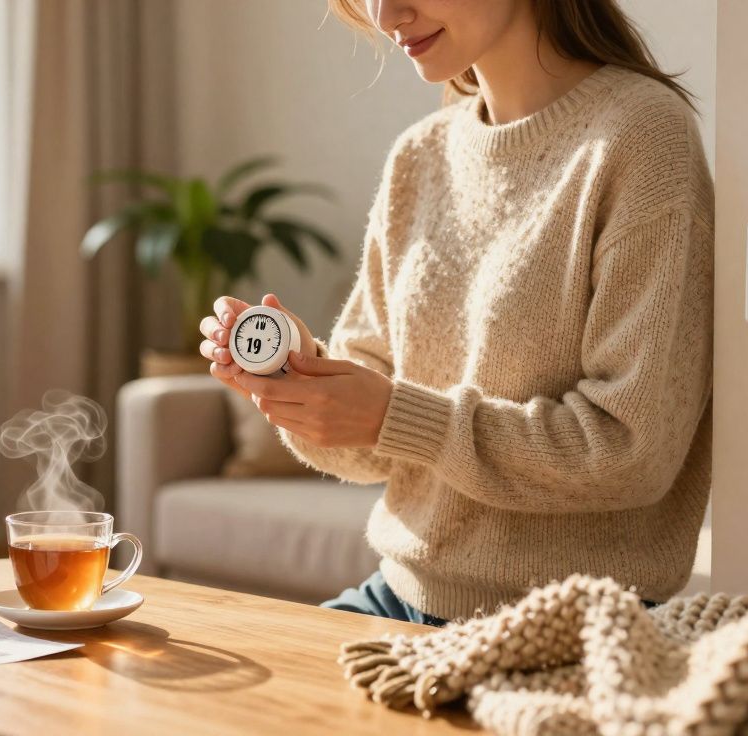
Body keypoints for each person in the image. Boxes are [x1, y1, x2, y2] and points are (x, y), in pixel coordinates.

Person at [198, 0, 713, 626]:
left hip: (566, 627)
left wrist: (395, 414)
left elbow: (631, 452)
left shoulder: (640, 137)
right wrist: (304, 384)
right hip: (397, 596)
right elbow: (375, 445)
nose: (386, 14)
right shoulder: (421, 155)